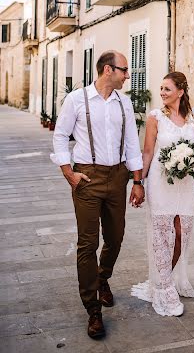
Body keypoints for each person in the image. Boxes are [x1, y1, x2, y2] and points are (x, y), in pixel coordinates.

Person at [52, 50, 144, 339]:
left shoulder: (124, 103)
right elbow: (59, 135)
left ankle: (102, 278)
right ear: (108, 70)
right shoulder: (76, 100)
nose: (128, 75)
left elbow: (131, 141)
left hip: (117, 176)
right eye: (124, 70)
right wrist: (69, 172)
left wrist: (137, 181)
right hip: (87, 178)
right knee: (87, 243)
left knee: (115, 237)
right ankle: (93, 310)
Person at [131, 71, 194, 316]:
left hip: (186, 183)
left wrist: (190, 157)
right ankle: (164, 288)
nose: (162, 93)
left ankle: (166, 279)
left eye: (167, 89)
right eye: (161, 88)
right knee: (163, 233)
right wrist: (138, 182)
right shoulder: (155, 117)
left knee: (181, 233)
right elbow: (147, 153)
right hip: (160, 182)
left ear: (181, 91)